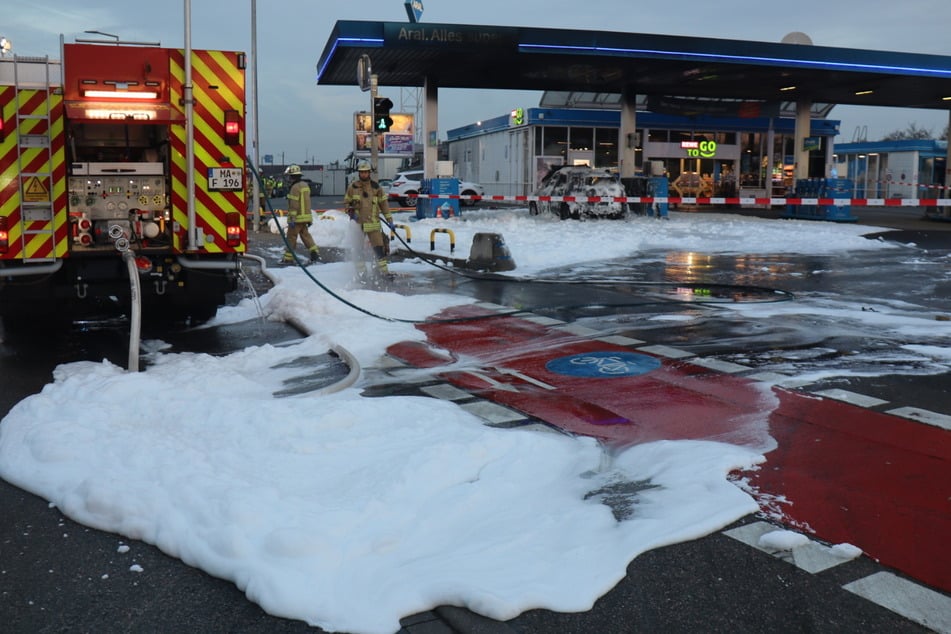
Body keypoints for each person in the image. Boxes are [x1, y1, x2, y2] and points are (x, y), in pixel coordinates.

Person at [344, 160, 393, 279]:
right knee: (358, 250)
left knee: (379, 250)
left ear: (369, 173)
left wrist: (389, 219)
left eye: (366, 172)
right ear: (359, 173)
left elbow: (384, 204)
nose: (364, 174)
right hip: (358, 224)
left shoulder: (376, 188)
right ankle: (362, 273)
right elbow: (347, 203)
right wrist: (351, 213)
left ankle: (384, 272)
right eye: (362, 172)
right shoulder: (353, 187)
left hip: (374, 224)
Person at [280, 164, 320, 264]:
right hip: (305, 217)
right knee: (306, 236)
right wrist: (309, 219)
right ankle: (314, 253)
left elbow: (294, 205)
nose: (288, 178)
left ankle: (288, 258)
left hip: (297, 218)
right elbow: (306, 202)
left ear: (292, 176)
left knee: (291, 237)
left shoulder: (294, 188)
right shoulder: (305, 185)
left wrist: (292, 218)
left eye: (289, 176)